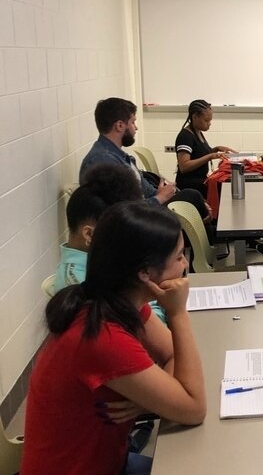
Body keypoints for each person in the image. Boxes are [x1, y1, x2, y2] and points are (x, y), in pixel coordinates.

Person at [22, 201, 206, 474]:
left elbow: (171, 355)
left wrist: (148, 400)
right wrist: (178, 313)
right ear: (144, 272)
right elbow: (193, 407)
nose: (185, 264)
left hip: (110, 462)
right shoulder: (101, 336)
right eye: (179, 256)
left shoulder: (116, 300)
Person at [54, 164, 169, 324]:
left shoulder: (104, 260)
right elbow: (143, 325)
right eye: (121, 231)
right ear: (89, 234)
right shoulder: (79, 285)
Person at [79, 97, 212, 222]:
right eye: (133, 122)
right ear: (120, 125)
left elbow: (145, 189)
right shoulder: (103, 161)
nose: (136, 128)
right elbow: (123, 212)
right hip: (136, 222)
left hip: (144, 209)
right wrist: (159, 198)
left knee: (192, 197)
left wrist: (160, 193)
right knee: (192, 197)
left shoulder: (118, 156)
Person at [175, 99, 236, 198]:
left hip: (200, 181)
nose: (209, 123)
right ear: (195, 117)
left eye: (210, 120)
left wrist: (215, 149)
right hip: (190, 185)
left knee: (225, 184)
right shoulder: (185, 137)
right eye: (206, 120)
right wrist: (210, 156)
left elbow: (198, 154)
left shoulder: (197, 132)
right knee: (224, 189)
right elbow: (184, 167)